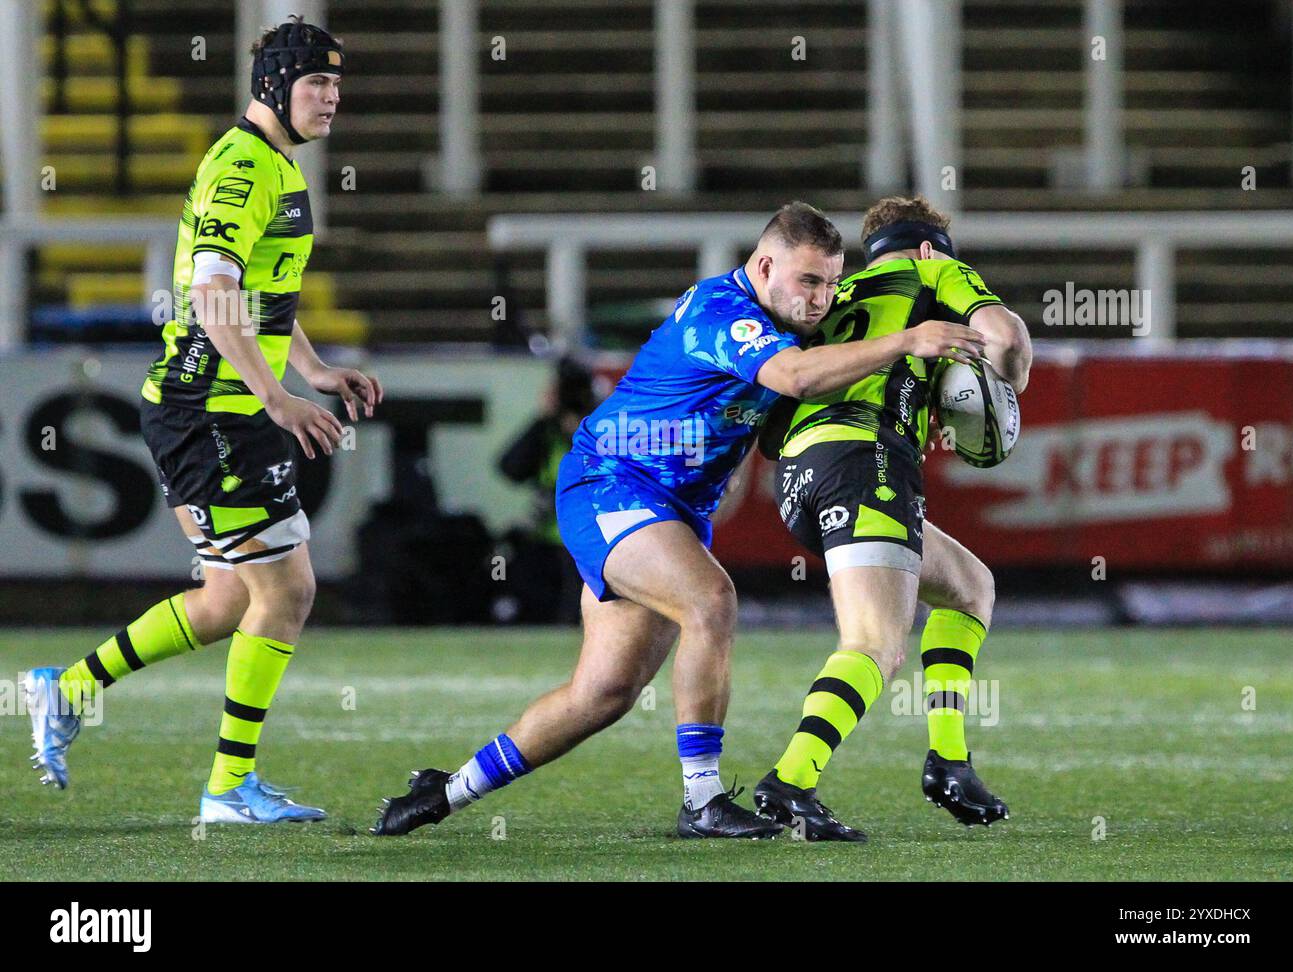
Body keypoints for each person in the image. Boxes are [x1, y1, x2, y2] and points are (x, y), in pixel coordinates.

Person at [371, 201, 984, 839]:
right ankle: (703, 800)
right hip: (611, 482)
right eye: (809, 281)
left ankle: (446, 790)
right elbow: (797, 381)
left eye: (831, 283)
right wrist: (908, 340)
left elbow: (786, 414)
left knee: (602, 694)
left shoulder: (785, 323)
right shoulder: (725, 313)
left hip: (669, 509)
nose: (822, 299)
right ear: (766, 265)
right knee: (710, 600)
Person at [24, 17, 382, 824]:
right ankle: (227, 788)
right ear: (273, 87)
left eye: (336, 85)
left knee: (228, 599)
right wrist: (276, 398)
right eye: (316, 83)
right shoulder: (240, 170)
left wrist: (314, 370)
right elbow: (216, 296)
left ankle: (68, 687)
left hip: (216, 411)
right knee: (287, 590)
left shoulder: (278, 167)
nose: (331, 98)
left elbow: (262, 301)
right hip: (210, 414)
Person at [753, 196, 1032, 840]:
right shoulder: (933, 271)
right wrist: (1003, 383)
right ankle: (791, 781)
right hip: (866, 462)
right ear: (931, 246)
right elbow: (1009, 341)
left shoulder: (833, 293)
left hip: (799, 477)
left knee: (969, 587)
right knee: (876, 643)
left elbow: (770, 423)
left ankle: (950, 762)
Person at [496, 358, 596, 623]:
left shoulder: (603, 427)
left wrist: (593, 419)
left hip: (594, 537)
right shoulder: (546, 430)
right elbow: (510, 469)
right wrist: (542, 419)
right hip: (548, 538)